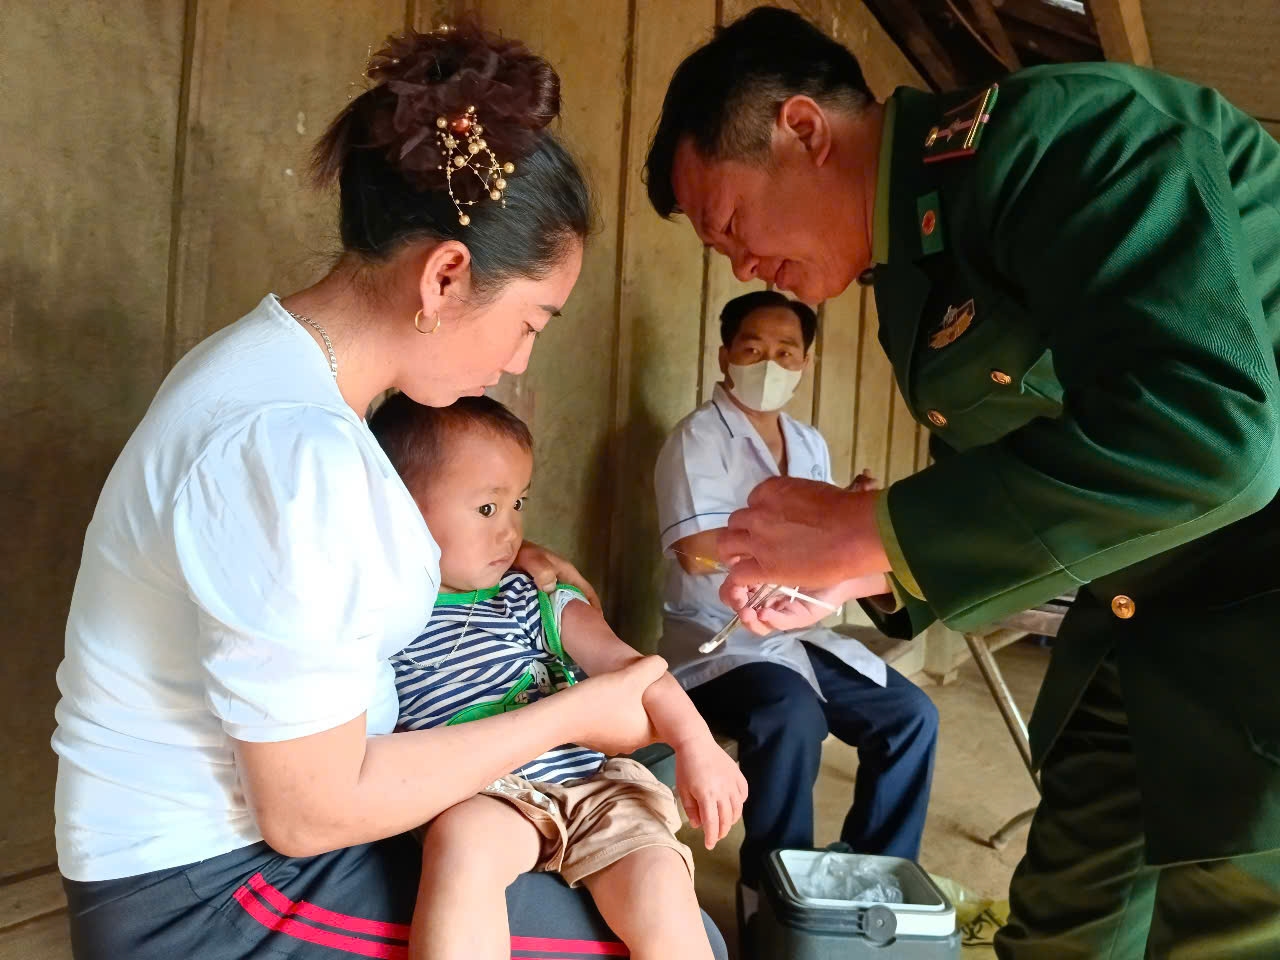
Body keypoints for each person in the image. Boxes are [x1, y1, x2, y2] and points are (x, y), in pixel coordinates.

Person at [51, 23, 717, 960]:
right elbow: (311, 810)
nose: (521, 363)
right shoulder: (294, 451)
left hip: (224, 852)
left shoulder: (275, 365)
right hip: (208, 895)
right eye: (531, 321)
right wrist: (564, 718)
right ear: (446, 276)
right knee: (671, 937)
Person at [645, 6, 1280, 959]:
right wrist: (863, 575)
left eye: (732, 221)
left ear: (804, 130)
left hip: (1256, 615)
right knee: (1064, 923)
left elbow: (1213, 434)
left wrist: (869, 535)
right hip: (1132, 613)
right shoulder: (912, 275)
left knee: (1226, 921)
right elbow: (1000, 469)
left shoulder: (1072, 135)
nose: (741, 264)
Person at [368, 393, 746, 960]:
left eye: (518, 502)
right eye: (487, 509)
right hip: (485, 794)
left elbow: (635, 670)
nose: (511, 530)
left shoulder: (534, 595)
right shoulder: (375, 613)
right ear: (394, 505)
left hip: (593, 789)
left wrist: (697, 745)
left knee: (660, 880)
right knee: (461, 845)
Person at [654, 291, 937, 918]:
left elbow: (826, 547)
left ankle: (871, 881)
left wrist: (850, 515)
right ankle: (774, 897)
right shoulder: (697, 438)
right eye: (753, 348)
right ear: (725, 354)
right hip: (718, 640)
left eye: (786, 351)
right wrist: (794, 550)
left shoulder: (808, 442)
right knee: (791, 713)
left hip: (795, 634)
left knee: (910, 715)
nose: (770, 362)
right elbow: (694, 551)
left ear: (805, 361)